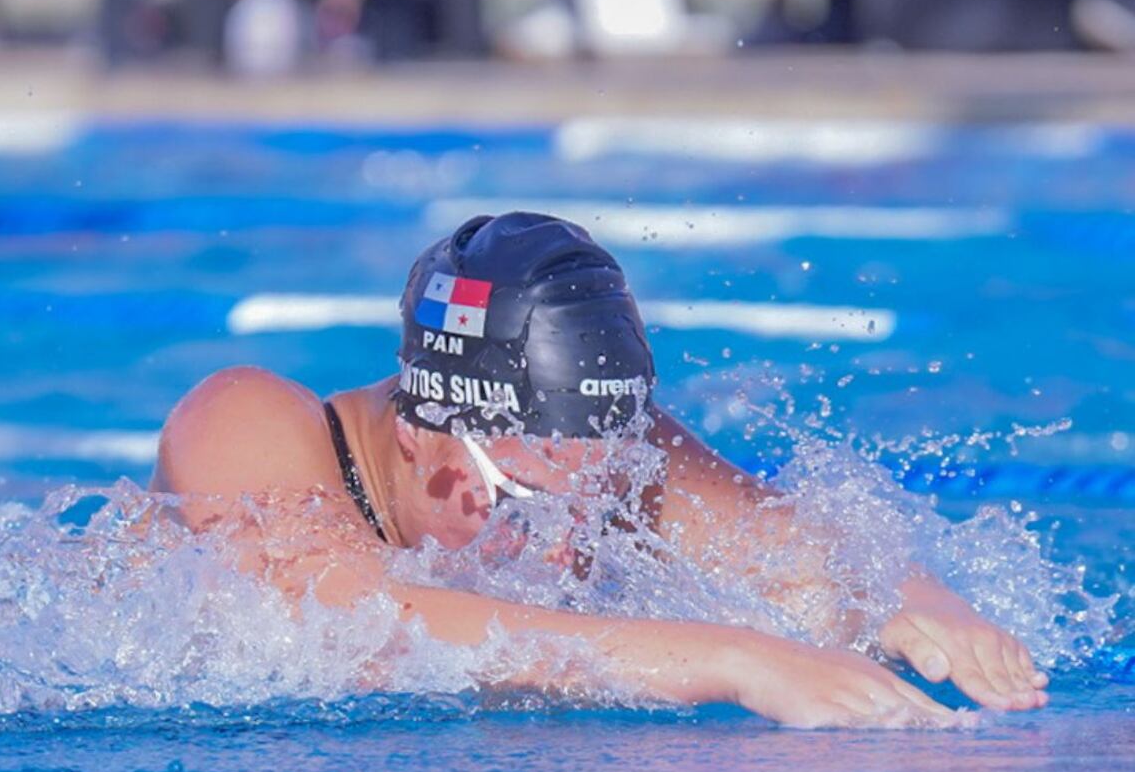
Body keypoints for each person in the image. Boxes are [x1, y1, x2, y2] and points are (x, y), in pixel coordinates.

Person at [153, 212, 1048, 729]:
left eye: (599, 499)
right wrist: (737, 659)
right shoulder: (246, 424)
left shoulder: (582, 450)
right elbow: (354, 627)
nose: (566, 551)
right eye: (525, 508)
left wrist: (911, 602)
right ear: (422, 433)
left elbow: (794, 555)